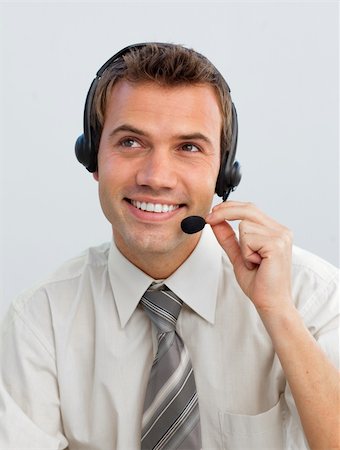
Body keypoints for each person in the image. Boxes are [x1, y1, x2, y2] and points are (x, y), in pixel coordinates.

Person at [0, 42, 339, 450]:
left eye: (189, 147)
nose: (156, 176)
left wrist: (279, 315)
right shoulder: (40, 321)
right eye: (130, 142)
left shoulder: (310, 296)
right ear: (92, 157)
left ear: (223, 173)